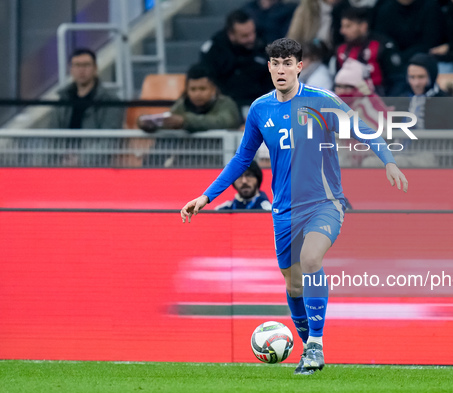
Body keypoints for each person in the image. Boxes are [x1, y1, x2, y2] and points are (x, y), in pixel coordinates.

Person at [180, 38, 408, 375]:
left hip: (324, 202)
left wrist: (388, 160)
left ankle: (315, 345)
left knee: (312, 259)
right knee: (293, 283)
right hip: (284, 210)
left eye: (288, 62)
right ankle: (307, 348)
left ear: (300, 66)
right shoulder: (260, 109)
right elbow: (243, 157)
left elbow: (362, 128)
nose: (281, 69)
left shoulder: (322, 101)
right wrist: (207, 195)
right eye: (276, 63)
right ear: (269, 67)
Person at [137, 64, 242, 133]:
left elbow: (225, 122)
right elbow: (169, 121)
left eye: (202, 89)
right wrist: (147, 123)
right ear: (187, 90)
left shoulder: (226, 104)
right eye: (193, 89)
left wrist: (185, 121)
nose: (197, 94)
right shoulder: (182, 105)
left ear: (213, 89)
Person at [200, 10, 273, 107]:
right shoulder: (214, 50)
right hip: (224, 105)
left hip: (258, 103)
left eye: (252, 33)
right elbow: (207, 80)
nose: (251, 38)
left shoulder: (263, 45)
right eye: (245, 36)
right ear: (231, 35)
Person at [49, 48, 124, 130]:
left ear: (95, 68)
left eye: (86, 65)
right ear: (71, 70)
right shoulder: (63, 100)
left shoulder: (110, 100)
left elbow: (109, 136)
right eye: (77, 65)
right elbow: (52, 133)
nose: (81, 70)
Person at [335, 6, 401, 94]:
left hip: (380, 99)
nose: (342, 31)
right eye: (342, 26)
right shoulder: (341, 50)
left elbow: (396, 80)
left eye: (348, 26)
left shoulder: (381, 46)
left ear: (363, 26)